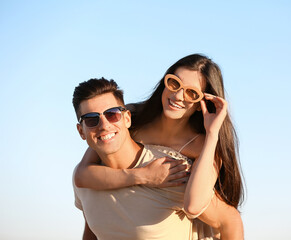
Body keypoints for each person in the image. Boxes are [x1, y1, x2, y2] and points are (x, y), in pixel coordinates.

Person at [76, 54, 245, 239]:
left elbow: (194, 206)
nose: (178, 95)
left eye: (192, 93)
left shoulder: (202, 146)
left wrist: (213, 134)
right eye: (174, 83)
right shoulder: (130, 117)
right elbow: (82, 175)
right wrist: (144, 176)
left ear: (201, 104)